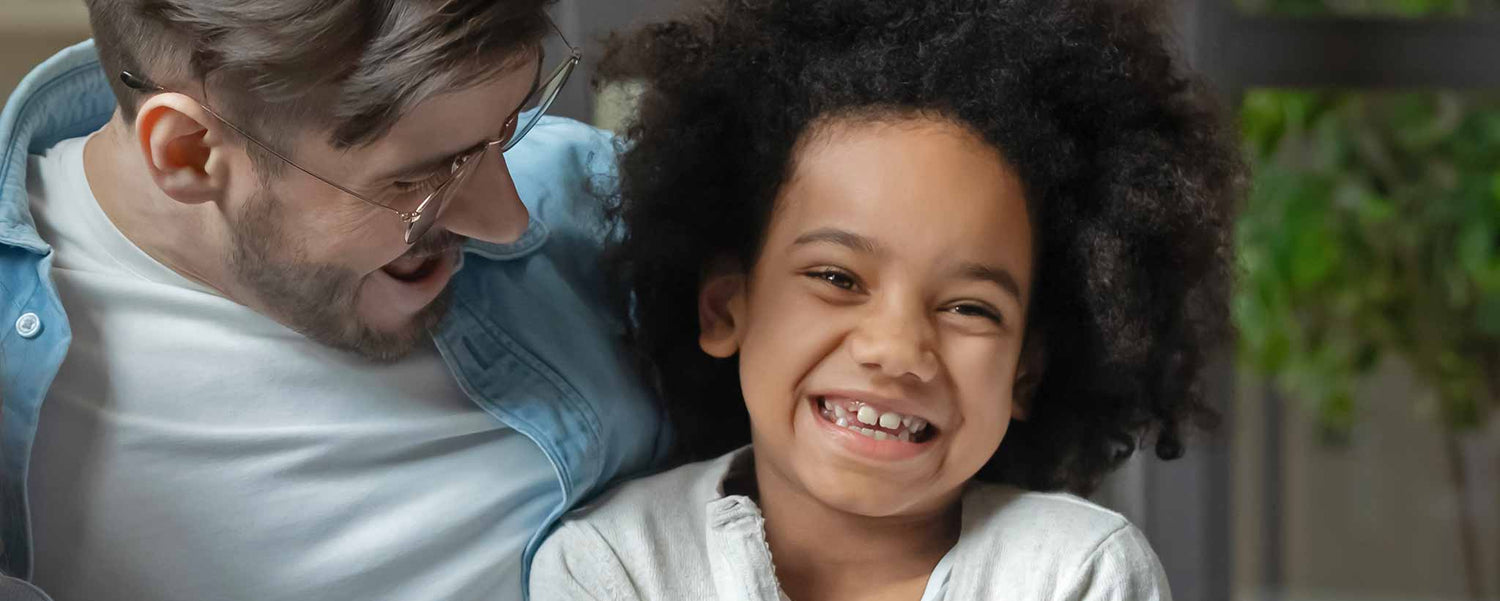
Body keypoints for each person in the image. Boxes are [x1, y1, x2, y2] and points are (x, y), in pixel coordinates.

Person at [529, 0, 1241, 599]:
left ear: (1025, 369)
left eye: (970, 307)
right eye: (837, 278)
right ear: (725, 310)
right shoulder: (611, 566)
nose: (898, 350)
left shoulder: (1078, 572)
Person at [0, 1, 666, 600]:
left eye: (510, 125)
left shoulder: (604, 200)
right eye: (423, 178)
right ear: (188, 153)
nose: (509, 220)